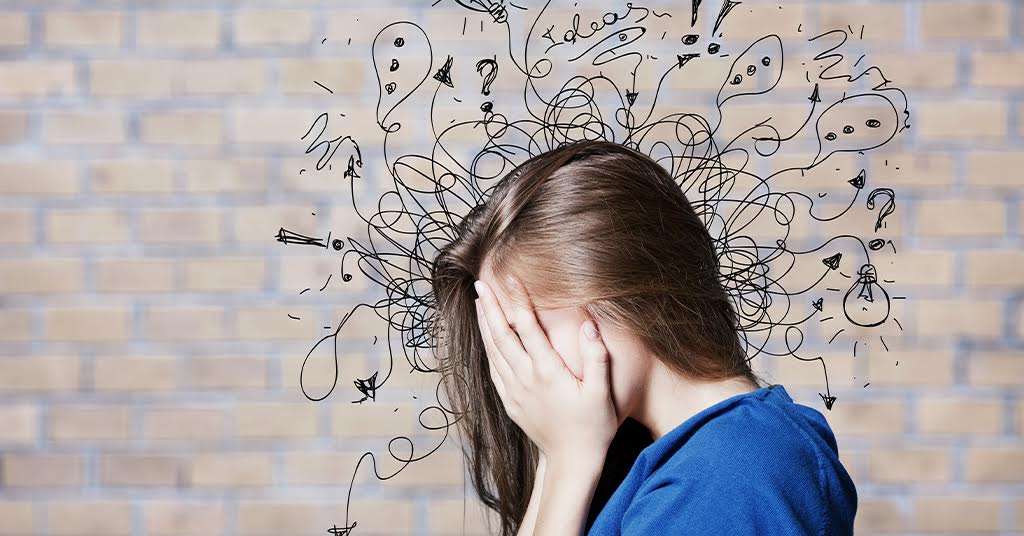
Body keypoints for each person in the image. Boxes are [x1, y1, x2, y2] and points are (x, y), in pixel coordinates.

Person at [430, 140, 856, 535]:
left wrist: (567, 461)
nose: (517, 372)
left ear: (614, 292)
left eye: (525, 332)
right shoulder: (687, 463)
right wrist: (558, 460)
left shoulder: (729, 475)